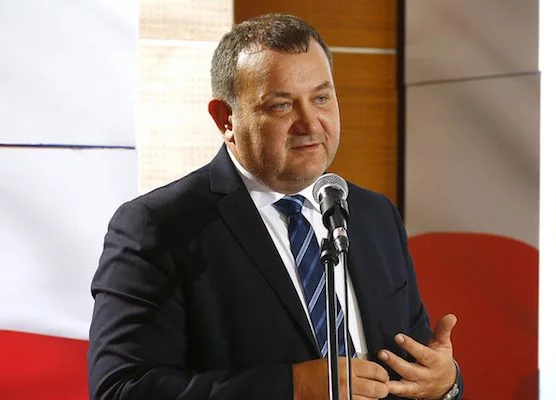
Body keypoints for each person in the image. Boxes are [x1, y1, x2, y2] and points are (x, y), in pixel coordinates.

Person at [88, 13, 463, 400]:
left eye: (321, 98)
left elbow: (414, 363)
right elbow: (120, 389)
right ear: (226, 119)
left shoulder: (374, 215)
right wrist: (292, 388)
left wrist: (445, 382)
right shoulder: (159, 226)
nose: (310, 124)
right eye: (282, 105)